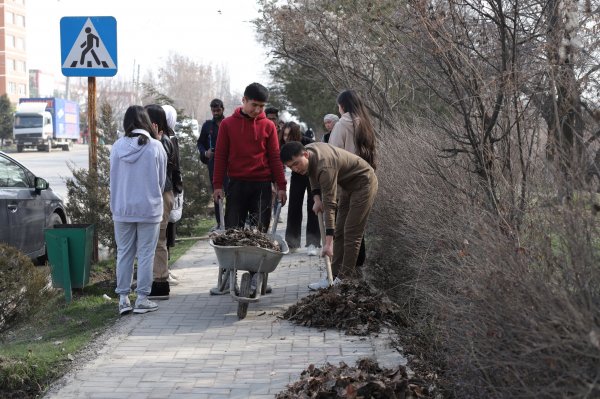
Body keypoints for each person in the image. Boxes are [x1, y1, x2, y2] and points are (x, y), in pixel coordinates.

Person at [280, 141, 378, 289]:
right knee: (339, 231)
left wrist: (328, 244)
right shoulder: (310, 154)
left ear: (305, 154)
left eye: (296, 164)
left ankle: (344, 280)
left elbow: (330, 205)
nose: (295, 169)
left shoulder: (325, 166)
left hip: (364, 183)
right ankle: (332, 277)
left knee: (351, 232)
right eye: (290, 167)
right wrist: (316, 198)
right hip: (347, 186)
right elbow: (311, 173)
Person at [110, 105, 167, 315]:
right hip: (149, 208)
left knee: (124, 253)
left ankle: (123, 299)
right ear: (146, 121)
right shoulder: (155, 147)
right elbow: (161, 181)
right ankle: (142, 298)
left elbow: (113, 178)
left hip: (122, 208)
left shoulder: (117, 147)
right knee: (146, 254)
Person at [212, 83, 287, 230]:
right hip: (236, 184)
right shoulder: (227, 124)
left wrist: (281, 186)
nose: (258, 110)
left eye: (262, 106)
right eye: (254, 105)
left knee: (260, 233)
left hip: (262, 185)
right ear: (244, 100)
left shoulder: (268, 126)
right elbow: (220, 156)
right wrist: (217, 185)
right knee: (233, 231)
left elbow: (275, 158)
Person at [328, 90, 377, 269]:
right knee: (353, 230)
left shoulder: (341, 125)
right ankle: (346, 274)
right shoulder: (366, 124)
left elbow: (332, 155)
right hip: (366, 179)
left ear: (342, 106)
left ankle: (341, 276)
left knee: (344, 231)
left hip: (348, 182)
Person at [144, 104, 181, 300]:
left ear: (154, 122)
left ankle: (160, 283)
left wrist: (155, 143)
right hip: (158, 194)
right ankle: (155, 279)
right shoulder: (157, 140)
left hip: (161, 194)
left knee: (158, 239)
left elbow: (161, 167)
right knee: (155, 239)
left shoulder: (163, 142)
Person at [282, 121, 320, 254]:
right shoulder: (284, 145)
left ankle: (313, 243)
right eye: (285, 135)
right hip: (296, 177)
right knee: (294, 206)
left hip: (312, 176)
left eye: (289, 135)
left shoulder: (308, 142)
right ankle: (292, 243)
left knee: (313, 206)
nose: (286, 138)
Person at [198, 99, 228, 230]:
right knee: (217, 192)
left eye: (218, 110)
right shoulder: (207, 126)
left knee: (231, 192)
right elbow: (200, 143)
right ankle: (220, 223)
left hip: (229, 164)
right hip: (214, 163)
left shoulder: (229, 124)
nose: (216, 113)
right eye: (213, 110)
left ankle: (231, 222)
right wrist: (205, 153)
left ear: (223, 109)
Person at [162, 104, 183, 271]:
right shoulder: (168, 138)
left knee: (168, 229)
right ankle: (163, 270)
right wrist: (178, 186)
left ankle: (165, 268)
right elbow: (175, 166)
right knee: (165, 231)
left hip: (169, 188)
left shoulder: (169, 136)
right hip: (168, 189)